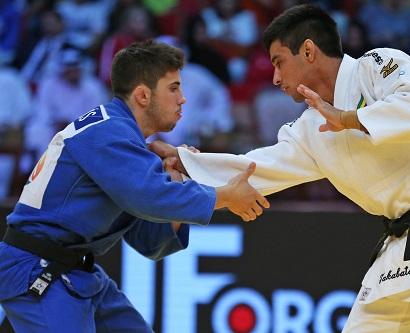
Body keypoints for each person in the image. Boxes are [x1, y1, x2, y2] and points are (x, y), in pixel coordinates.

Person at [150, 4, 410, 332]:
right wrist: (187, 162)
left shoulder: (378, 67)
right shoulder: (309, 128)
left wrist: (348, 118)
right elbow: (256, 167)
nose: (274, 78)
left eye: (278, 62)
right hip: (401, 250)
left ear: (308, 51)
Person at [0, 40, 269, 333]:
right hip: (37, 271)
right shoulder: (107, 132)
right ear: (142, 95)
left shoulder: (127, 141)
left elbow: (151, 242)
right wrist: (224, 196)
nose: (183, 99)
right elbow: (151, 198)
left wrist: (176, 176)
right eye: (174, 88)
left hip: (77, 272)